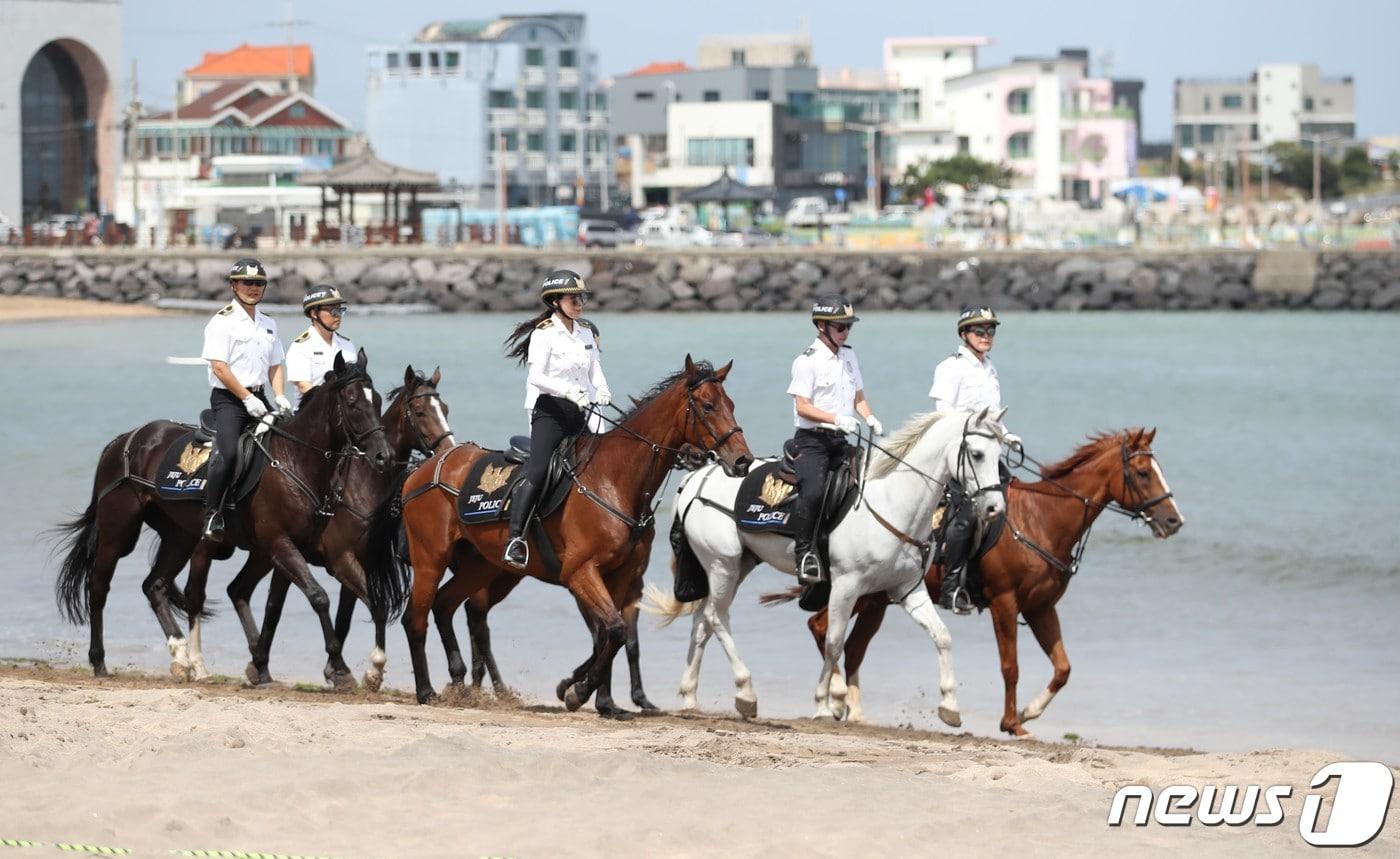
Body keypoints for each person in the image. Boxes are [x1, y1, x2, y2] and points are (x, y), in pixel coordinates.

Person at [500, 270, 611, 568]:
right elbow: (537, 377)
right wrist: (566, 391)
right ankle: (516, 539)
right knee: (537, 470)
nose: (580, 303)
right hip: (550, 410)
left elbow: (594, 368)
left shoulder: (586, 332)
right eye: (574, 298)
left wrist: (601, 387)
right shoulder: (544, 334)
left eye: (582, 297)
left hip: (583, 409)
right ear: (555, 302)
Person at [786, 294, 883, 584]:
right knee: (814, 491)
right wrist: (835, 419)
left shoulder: (849, 356)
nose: (845, 332)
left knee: (874, 482)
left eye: (848, 327)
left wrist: (870, 418)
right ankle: (804, 554)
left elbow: (859, 398)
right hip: (812, 441)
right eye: (840, 327)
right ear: (821, 326)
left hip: (841, 441)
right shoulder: (806, 361)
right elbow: (802, 406)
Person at [928, 306, 1019, 614]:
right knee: (965, 514)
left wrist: (1006, 436)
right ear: (964, 335)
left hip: (987, 453)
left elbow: (992, 418)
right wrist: (969, 437)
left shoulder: (989, 368)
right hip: (959, 454)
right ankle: (951, 587)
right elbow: (943, 414)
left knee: (1014, 499)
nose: (986, 337)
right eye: (979, 332)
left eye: (990, 331)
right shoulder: (950, 368)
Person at [199, 258, 292, 538]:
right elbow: (219, 367)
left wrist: (279, 396)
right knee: (227, 454)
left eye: (259, 283)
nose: (253, 288)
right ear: (233, 285)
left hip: (262, 397)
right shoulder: (222, 321)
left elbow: (276, 364)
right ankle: (212, 515)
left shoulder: (269, 323)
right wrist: (245, 398)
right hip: (229, 401)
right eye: (247, 282)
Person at [286, 284, 357, 394]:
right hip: (312, 410)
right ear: (314, 313)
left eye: (340, 310)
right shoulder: (300, 347)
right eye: (333, 311)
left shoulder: (347, 345)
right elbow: (304, 387)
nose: (338, 316)